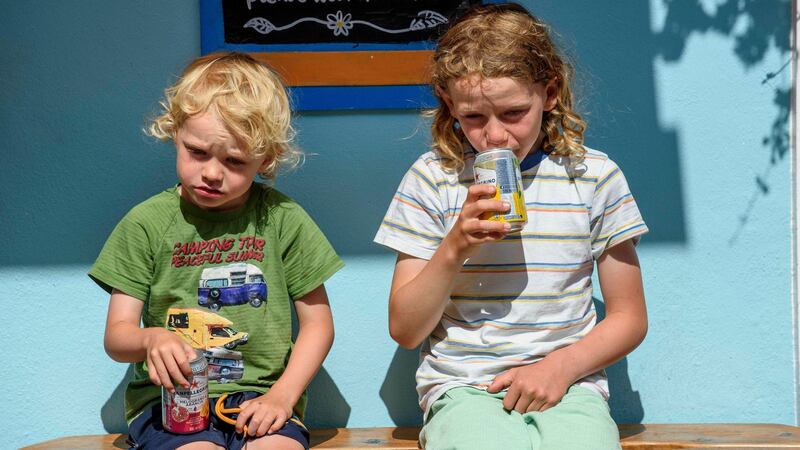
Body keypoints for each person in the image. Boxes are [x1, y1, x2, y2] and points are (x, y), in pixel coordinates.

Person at [373, 3, 647, 449]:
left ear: (550, 93)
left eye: (514, 113)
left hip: (569, 385)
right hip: (463, 386)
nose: (495, 136)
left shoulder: (593, 176)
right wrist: (455, 246)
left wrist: (560, 368)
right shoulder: (431, 178)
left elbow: (629, 317)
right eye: (475, 117)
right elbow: (406, 329)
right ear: (449, 104)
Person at [91, 52, 343, 450]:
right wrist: (152, 339)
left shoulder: (282, 219)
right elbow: (117, 337)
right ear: (175, 132)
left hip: (262, 399)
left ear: (267, 158)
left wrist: (283, 396)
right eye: (197, 152)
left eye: (234, 160)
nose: (211, 172)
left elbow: (318, 325)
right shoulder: (146, 224)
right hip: (168, 400)